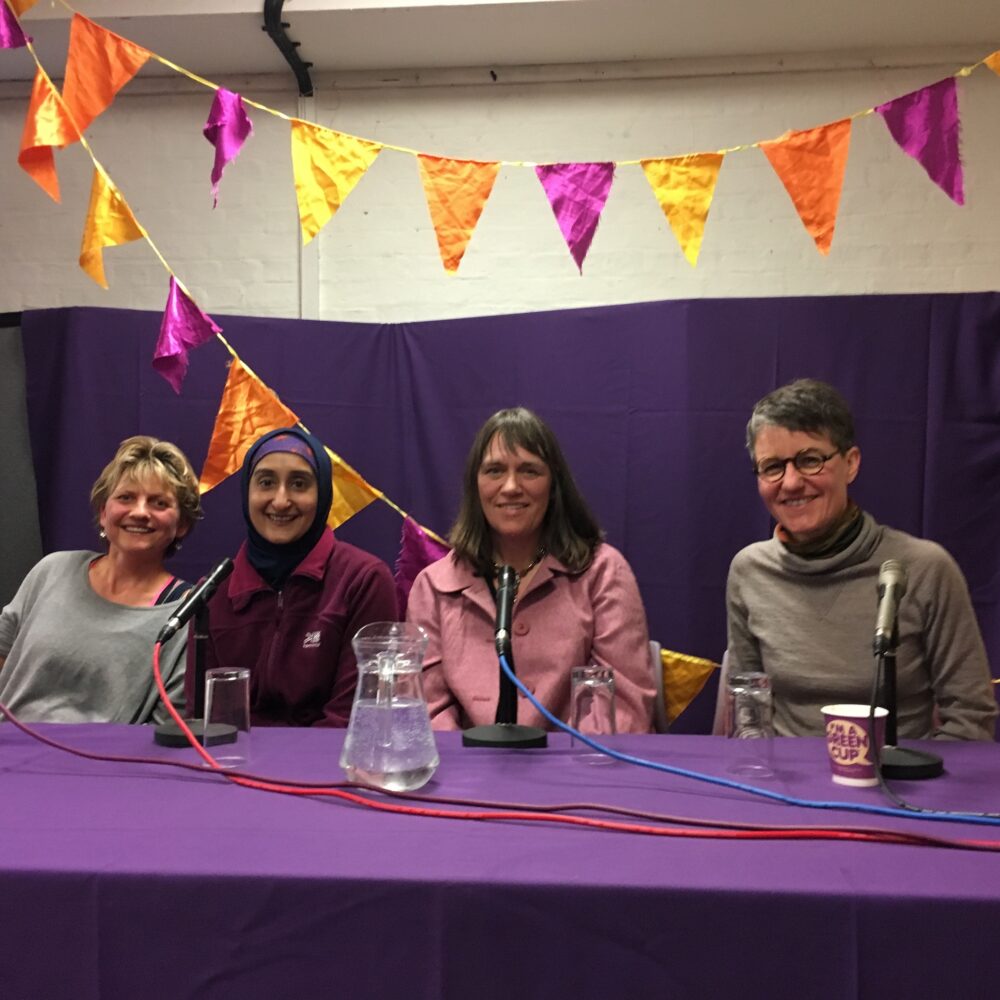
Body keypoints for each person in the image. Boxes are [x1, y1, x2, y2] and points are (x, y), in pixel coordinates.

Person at [724, 378, 997, 739]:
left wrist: (907, 782)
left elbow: (971, 719)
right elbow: (748, 716)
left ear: (850, 464)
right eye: (772, 467)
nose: (790, 483)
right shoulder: (749, 571)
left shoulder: (925, 569)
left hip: (898, 786)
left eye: (809, 460)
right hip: (784, 789)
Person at [407, 407, 654, 732]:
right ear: (475, 486)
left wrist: (563, 776)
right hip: (467, 774)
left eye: (529, 471)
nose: (510, 486)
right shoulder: (433, 586)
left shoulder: (603, 572)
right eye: (494, 471)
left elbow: (623, 707)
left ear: (554, 486)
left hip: (578, 772)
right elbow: (427, 710)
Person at [186, 426, 397, 727]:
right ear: (247, 492)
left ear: (323, 494)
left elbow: (355, 717)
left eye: (299, 484)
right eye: (266, 482)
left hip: (330, 767)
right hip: (234, 764)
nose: (281, 500)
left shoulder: (363, 580)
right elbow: (205, 722)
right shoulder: (212, 593)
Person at [0, 436, 202, 724]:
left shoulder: (187, 613)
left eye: (159, 503)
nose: (140, 512)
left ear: (181, 524)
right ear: (104, 512)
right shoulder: (52, 570)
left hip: (103, 765)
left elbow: (164, 730)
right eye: (126, 497)